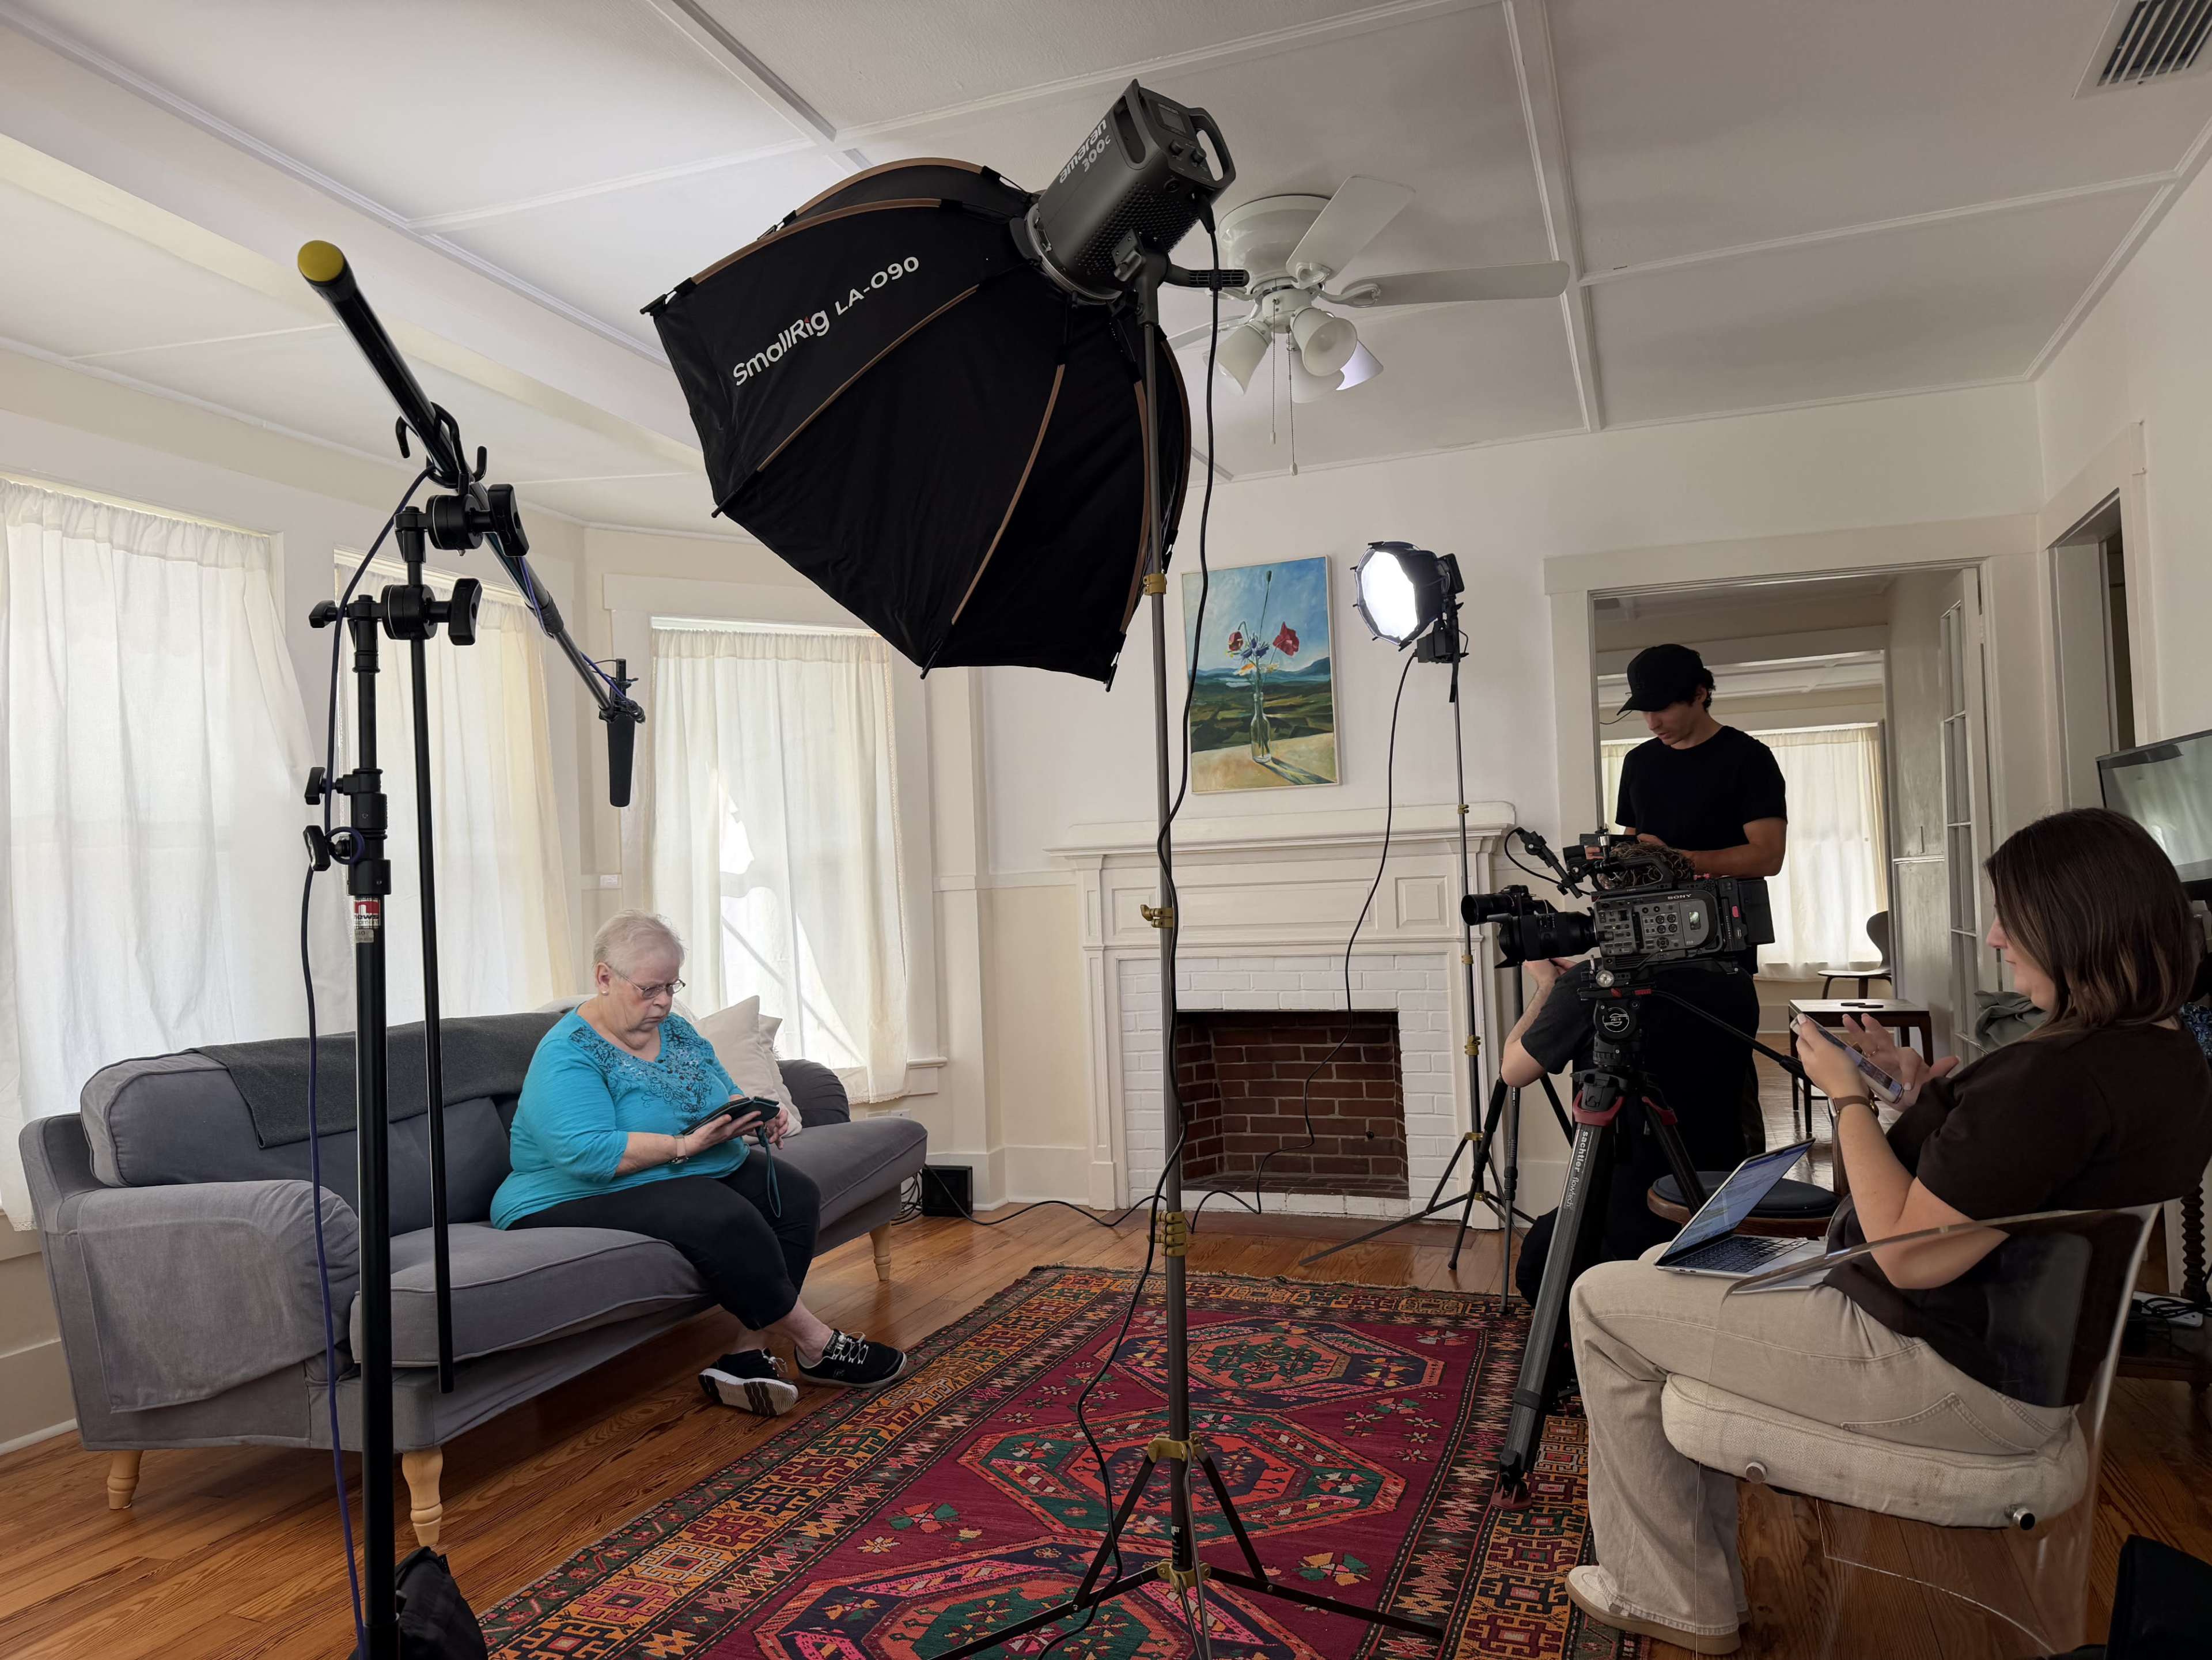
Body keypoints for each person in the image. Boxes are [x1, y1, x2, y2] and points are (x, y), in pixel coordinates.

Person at [1562, 808, 2212, 1655]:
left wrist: (1849, 1097)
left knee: (1602, 1296)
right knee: (1662, 1262)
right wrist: (1918, 1095)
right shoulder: (2165, 1060)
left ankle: (1669, 1592)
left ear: (2080, 922)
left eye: (2014, 917)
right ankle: (1680, 1569)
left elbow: (1908, 1256)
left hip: (1936, 1367)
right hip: (2014, 1355)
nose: (1996, 937)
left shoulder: (2058, 1078)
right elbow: (2006, 1183)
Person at [491, 909, 906, 1415]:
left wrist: (751, 1114)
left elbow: (718, 1086)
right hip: (570, 1188)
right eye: (649, 989)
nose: (665, 1001)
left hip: (685, 1164)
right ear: (604, 977)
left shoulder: (679, 1033)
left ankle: (746, 1353)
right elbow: (584, 1151)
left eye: (671, 985)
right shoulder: (569, 1052)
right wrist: (684, 1146)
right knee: (722, 1215)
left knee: (795, 1196)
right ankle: (818, 1344)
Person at [1499, 951, 1758, 1299]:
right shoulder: (1736, 978)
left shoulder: (1590, 985)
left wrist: (1549, 986)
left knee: (1536, 1269)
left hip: (1626, 1221)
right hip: (1717, 1207)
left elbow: (1513, 1070)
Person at [1612, 642, 1787, 1152]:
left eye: (1663, 708)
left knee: (1724, 1090)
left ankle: (1736, 1209)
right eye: (1644, 709)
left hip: (1723, 956)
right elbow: (1634, 844)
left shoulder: (1749, 759)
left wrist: (1678, 859)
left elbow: (1767, 856)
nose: (1651, 722)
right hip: (1649, 955)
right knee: (1656, 1088)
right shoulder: (1639, 763)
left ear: (1700, 693)